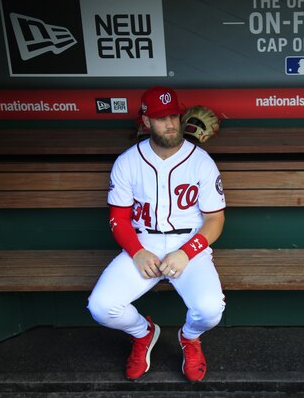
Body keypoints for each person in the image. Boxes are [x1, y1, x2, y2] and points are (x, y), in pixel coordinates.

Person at [88, 86, 226, 382]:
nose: (171, 123)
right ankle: (143, 333)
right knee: (101, 308)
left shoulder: (201, 161)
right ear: (146, 120)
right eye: (161, 117)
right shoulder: (127, 162)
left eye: (174, 115)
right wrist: (137, 252)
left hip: (188, 243)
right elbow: (119, 218)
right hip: (143, 242)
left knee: (210, 310)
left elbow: (215, 220)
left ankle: (189, 338)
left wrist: (187, 252)